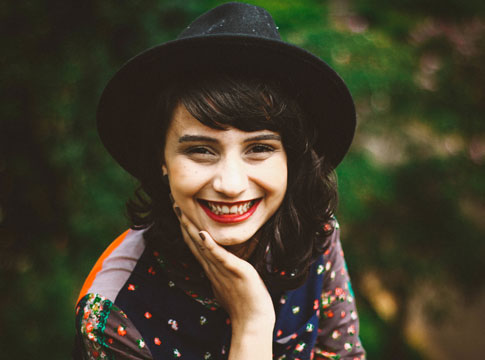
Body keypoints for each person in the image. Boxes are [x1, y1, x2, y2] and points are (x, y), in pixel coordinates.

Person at [73, 2, 366, 359]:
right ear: (161, 160)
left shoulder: (315, 234)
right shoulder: (113, 316)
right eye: (201, 151)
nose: (230, 184)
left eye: (259, 148)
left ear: (291, 158)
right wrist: (252, 323)